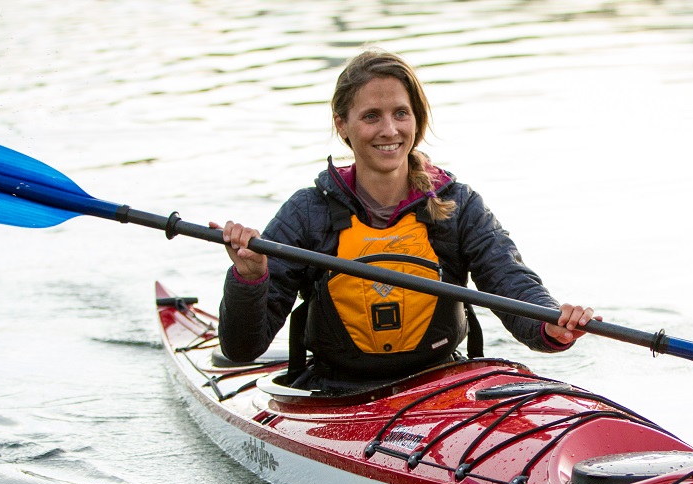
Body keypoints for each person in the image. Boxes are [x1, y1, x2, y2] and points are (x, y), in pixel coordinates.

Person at [213, 49, 597, 391]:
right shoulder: (307, 213)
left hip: (439, 388)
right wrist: (249, 279)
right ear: (342, 125)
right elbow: (243, 348)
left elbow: (510, 281)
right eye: (370, 116)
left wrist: (549, 322)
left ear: (418, 119)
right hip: (335, 393)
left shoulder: (458, 205)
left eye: (401, 113)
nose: (389, 130)